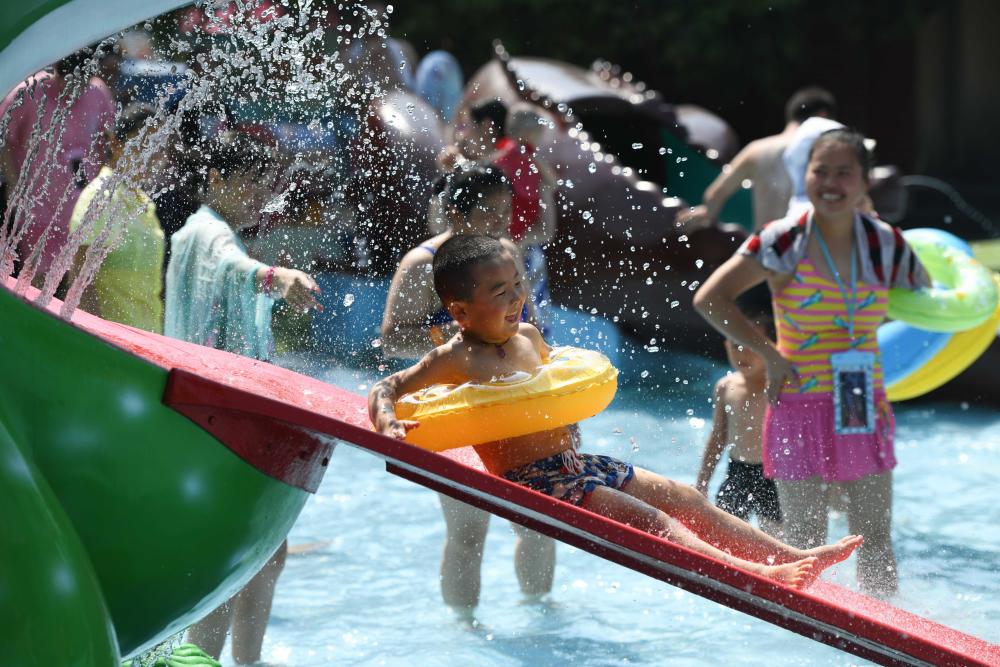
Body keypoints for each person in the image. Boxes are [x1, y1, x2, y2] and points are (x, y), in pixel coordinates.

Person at [371, 234, 864, 591]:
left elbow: (553, 395)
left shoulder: (529, 337)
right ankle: (761, 576)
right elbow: (388, 386)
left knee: (685, 497)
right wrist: (389, 420)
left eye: (518, 283)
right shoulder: (456, 358)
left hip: (572, 466)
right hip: (531, 480)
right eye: (499, 292)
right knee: (653, 520)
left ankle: (794, 555)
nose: (516, 297)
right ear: (460, 311)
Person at [693, 128, 930, 595]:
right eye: (821, 170)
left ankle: (882, 644)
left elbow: (927, 295)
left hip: (860, 396)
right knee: (802, 544)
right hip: (799, 401)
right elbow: (711, 299)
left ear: (864, 182)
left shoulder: (885, 244)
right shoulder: (785, 240)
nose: (831, 182)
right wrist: (768, 353)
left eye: (845, 172)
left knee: (875, 539)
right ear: (805, 175)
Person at [167, 131, 321, 664]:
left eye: (264, 184)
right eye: (249, 183)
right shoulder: (208, 233)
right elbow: (235, 269)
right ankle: (213, 659)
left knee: (263, 554)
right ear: (216, 179)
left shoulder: (205, 231)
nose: (259, 194)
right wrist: (279, 278)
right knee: (235, 556)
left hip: (213, 412)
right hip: (219, 416)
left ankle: (244, 660)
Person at [380, 165, 556, 618]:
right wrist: (460, 346)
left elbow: (526, 329)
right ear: (457, 215)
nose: (502, 224)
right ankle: (463, 629)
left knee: (538, 522)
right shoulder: (425, 265)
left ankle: (539, 617)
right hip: (455, 408)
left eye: (507, 212)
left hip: (516, 402)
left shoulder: (505, 254)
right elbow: (393, 337)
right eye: (490, 213)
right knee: (468, 528)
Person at [0, 50, 115, 282]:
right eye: (70, 83)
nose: (77, 91)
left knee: (72, 281)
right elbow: (4, 141)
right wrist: (14, 187)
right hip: (35, 210)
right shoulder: (30, 93)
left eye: (83, 83)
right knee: (34, 281)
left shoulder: (97, 93)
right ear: (56, 73)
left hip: (78, 211)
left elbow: (107, 142)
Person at [676, 87, 837, 232]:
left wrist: (706, 212)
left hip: (763, 252)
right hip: (808, 256)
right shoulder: (828, 152)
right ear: (822, 116)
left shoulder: (757, 150)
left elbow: (714, 196)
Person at [66, 103, 165, 332]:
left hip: (146, 340)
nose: (153, 155)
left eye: (159, 146)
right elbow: (79, 286)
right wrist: (99, 345)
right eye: (143, 145)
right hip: (114, 345)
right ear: (115, 143)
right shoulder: (102, 198)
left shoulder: (142, 201)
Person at [695, 319, 781, 536]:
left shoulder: (778, 388)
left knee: (776, 541)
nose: (743, 354)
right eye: (737, 345)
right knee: (725, 536)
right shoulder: (725, 387)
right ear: (726, 345)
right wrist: (702, 482)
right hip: (737, 473)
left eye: (753, 346)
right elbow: (717, 437)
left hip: (773, 476)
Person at [491, 104, 559, 336]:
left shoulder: (497, 158)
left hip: (501, 241)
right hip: (524, 243)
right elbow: (549, 185)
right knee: (531, 301)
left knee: (506, 301)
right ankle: (538, 343)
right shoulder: (529, 161)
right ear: (531, 133)